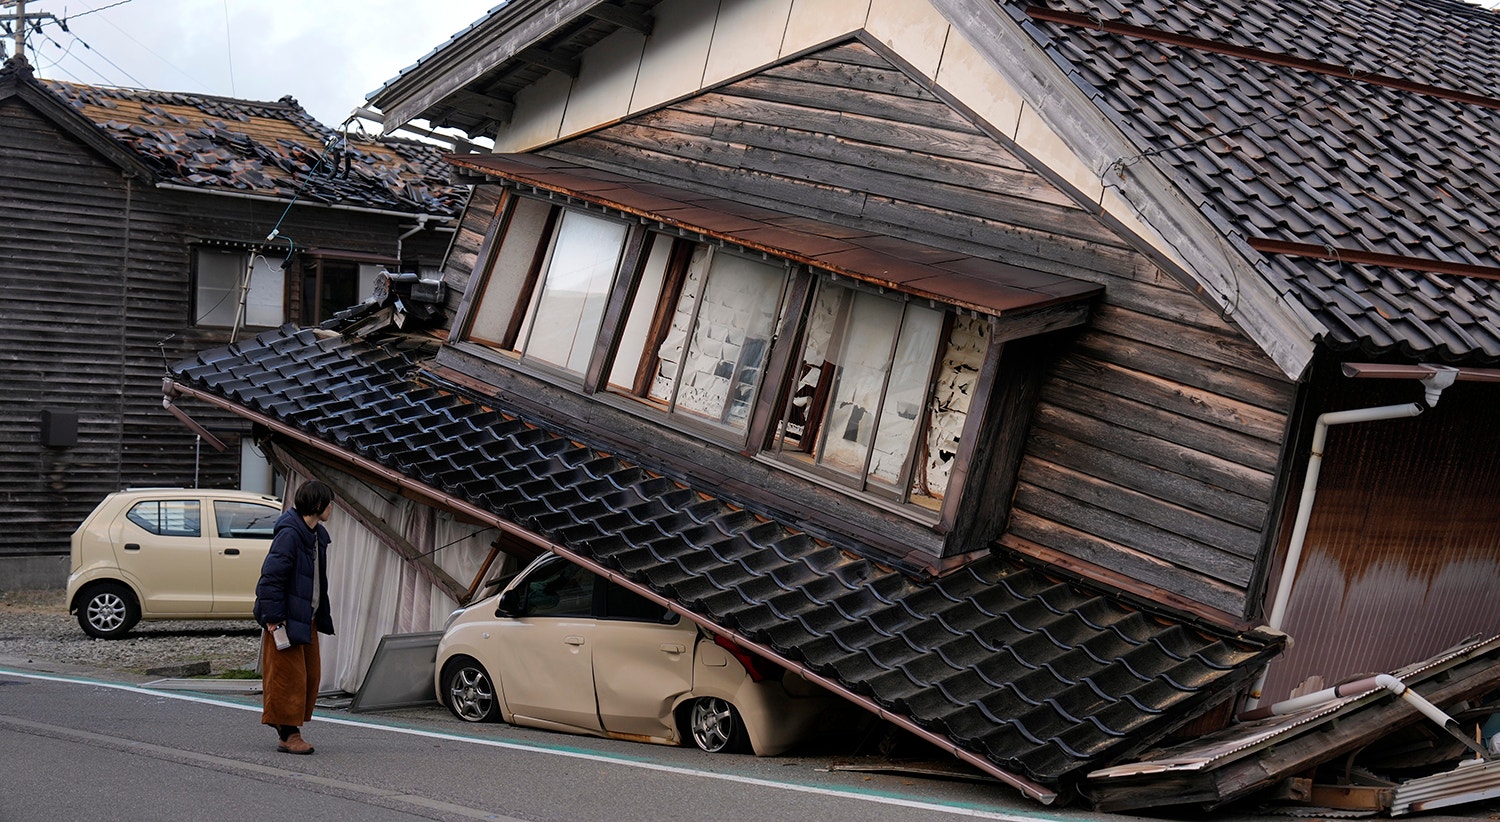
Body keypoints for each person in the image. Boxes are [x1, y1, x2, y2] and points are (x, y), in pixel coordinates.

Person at [254, 479, 336, 755]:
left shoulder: (314, 534)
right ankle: (289, 735)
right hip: (285, 619)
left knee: (308, 677)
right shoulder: (290, 534)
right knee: (288, 678)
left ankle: (288, 732)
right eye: (329, 503)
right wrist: (274, 619)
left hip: (305, 616)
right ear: (318, 505)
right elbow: (270, 579)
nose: (331, 508)